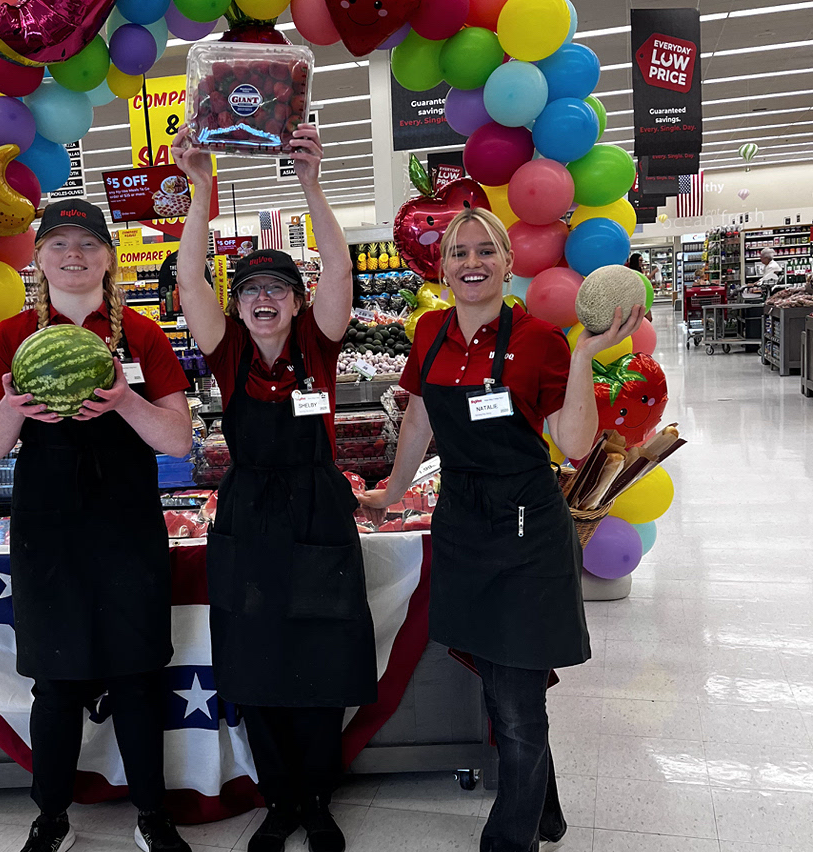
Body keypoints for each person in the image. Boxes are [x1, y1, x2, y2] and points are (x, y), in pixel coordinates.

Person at [358, 207, 642, 852]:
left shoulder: (540, 339)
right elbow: (420, 419)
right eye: (458, 252)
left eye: (486, 250)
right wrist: (391, 492)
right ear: (442, 266)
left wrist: (582, 355)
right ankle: (546, 811)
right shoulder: (428, 331)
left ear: (509, 263)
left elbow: (575, 444)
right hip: (463, 520)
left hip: (525, 527)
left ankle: (511, 839)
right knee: (499, 683)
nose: (472, 263)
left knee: (515, 700)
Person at [172, 125, 376, 852]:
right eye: (252, 289)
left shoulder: (319, 343)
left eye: (278, 289)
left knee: (320, 661)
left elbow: (341, 269)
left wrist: (311, 184)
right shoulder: (227, 353)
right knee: (255, 663)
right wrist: (201, 189)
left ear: (296, 301)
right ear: (240, 304)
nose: (264, 298)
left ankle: (317, 800)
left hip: (318, 511)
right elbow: (190, 281)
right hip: (249, 515)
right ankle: (279, 801)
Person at [0, 199, 194, 852]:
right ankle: (51, 816)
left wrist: (124, 401)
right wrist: (13, 407)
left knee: (137, 674)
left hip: (127, 524)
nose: (74, 255)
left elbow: (178, 439)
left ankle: (152, 814)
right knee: (56, 680)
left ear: (108, 258)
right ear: (39, 259)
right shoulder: (8, 337)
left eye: (88, 243)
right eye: (59, 244)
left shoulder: (142, 334)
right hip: (47, 527)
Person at [625, 253, 653, 322]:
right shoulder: (630, 271)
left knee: (647, 317)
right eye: (640, 260)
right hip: (634, 296)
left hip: (643, 296)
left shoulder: (639, 270)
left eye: (642, 261)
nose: (641, 263)